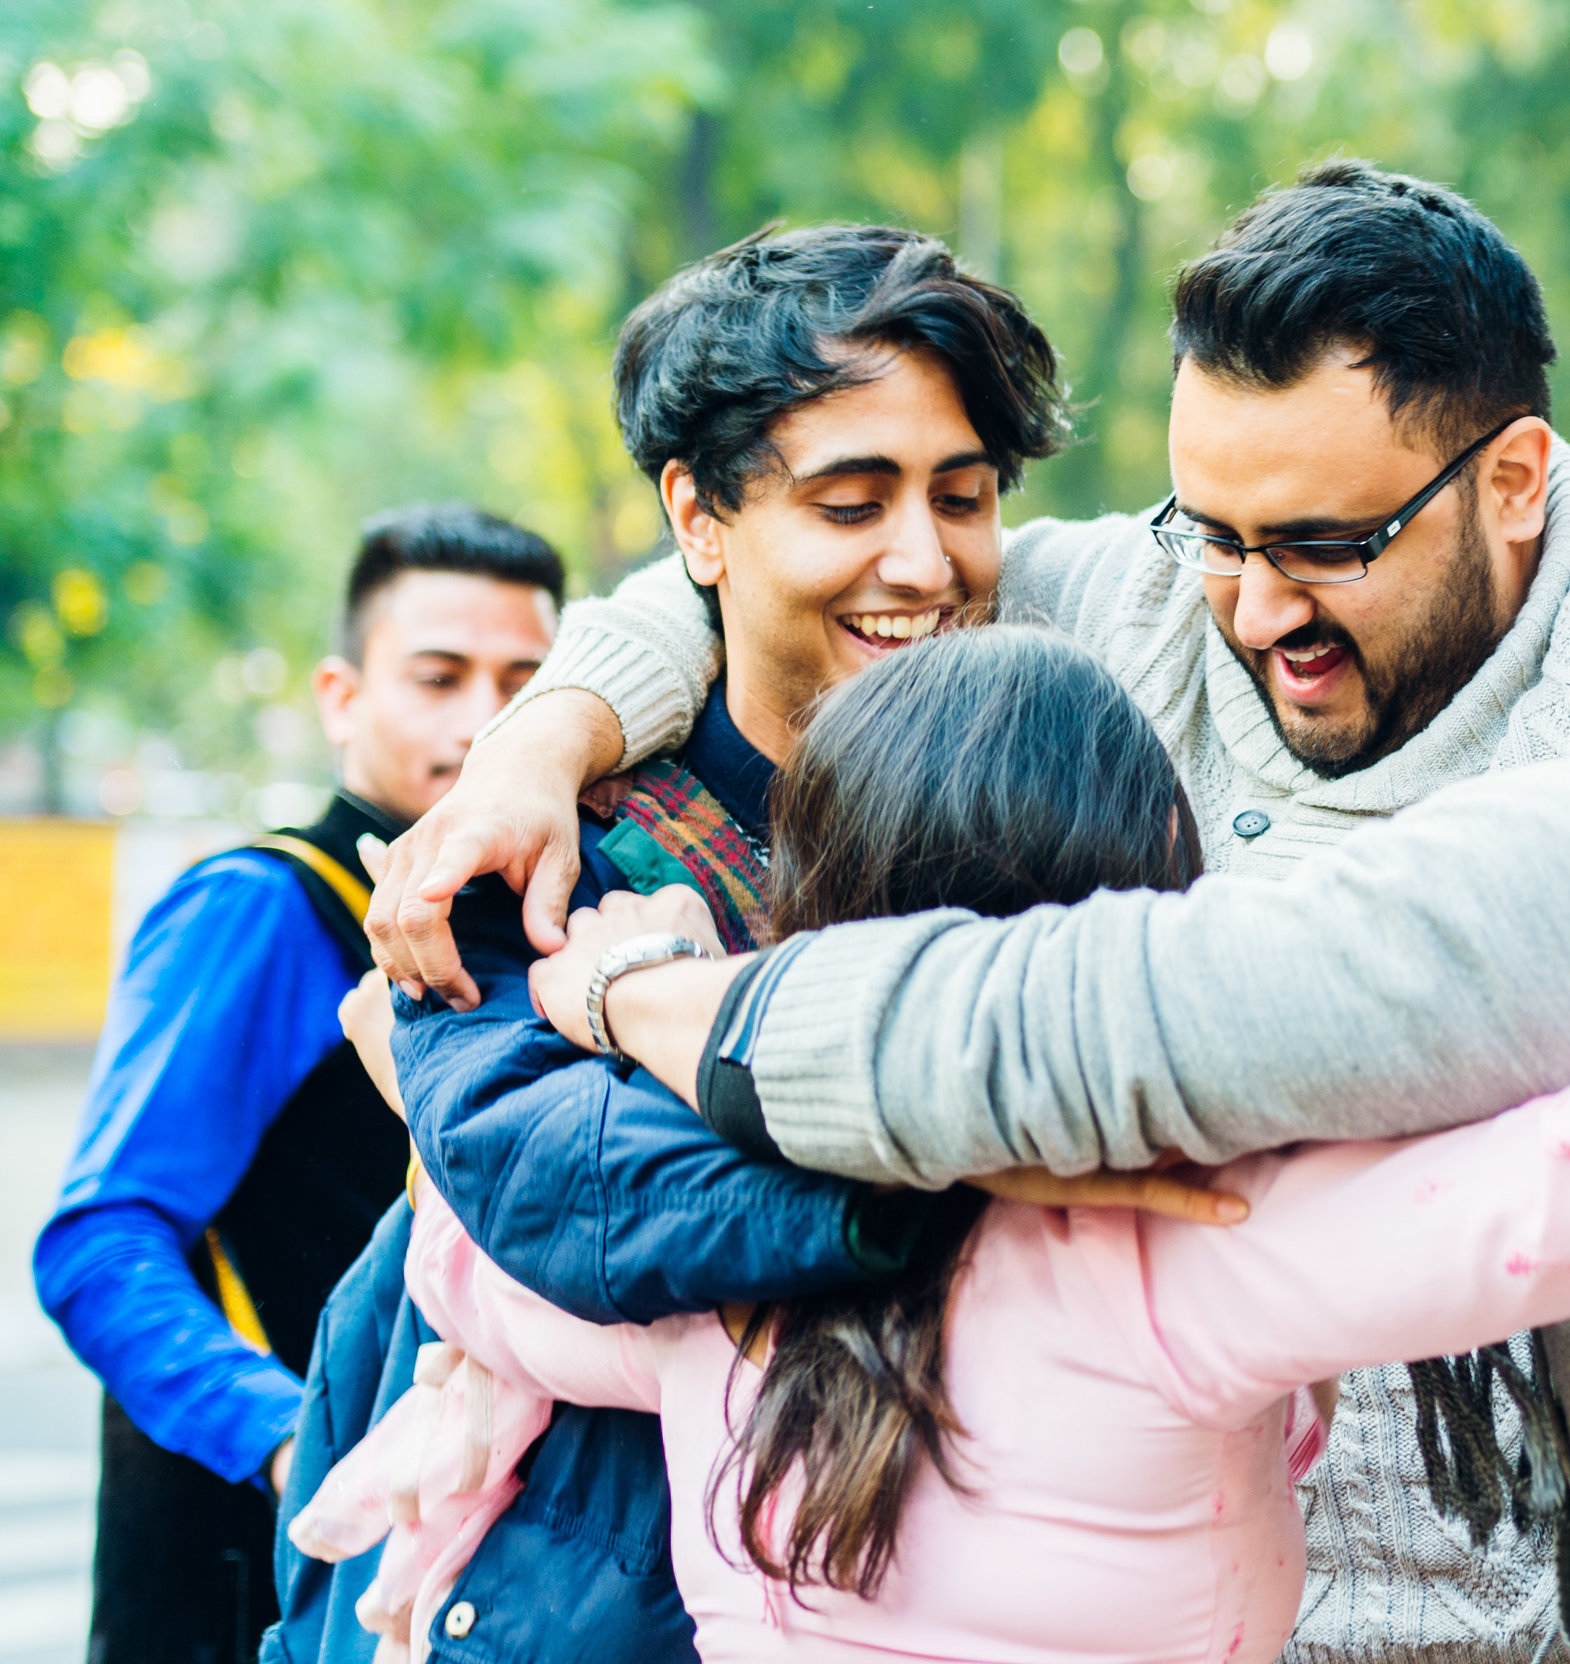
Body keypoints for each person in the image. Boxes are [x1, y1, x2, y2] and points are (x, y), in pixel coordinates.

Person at [363, 160, 1570, 1662]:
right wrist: (544, 734)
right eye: (1216, 532)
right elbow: (788, 573)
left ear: (1525, 485)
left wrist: (676, 1015)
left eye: (1331, 544)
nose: (1252, 600)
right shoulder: (1139, 610)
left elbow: (1190, 1035)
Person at [262, 225, 1157, 1664]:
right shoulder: (536, 853)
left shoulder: (1057, 824)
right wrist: (962, 1170)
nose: (924, 565)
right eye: (851, 505)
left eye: (966, 496)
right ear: (699, 518)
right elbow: (548, 1179)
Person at [30, 507, 560, 1664]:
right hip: (248, 1571)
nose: (482, 718)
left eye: (523, 677)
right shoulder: (261, 907)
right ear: (341, 696)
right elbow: (100, 1241)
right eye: (438, 676)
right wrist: (291, 1441)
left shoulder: (539, 919)